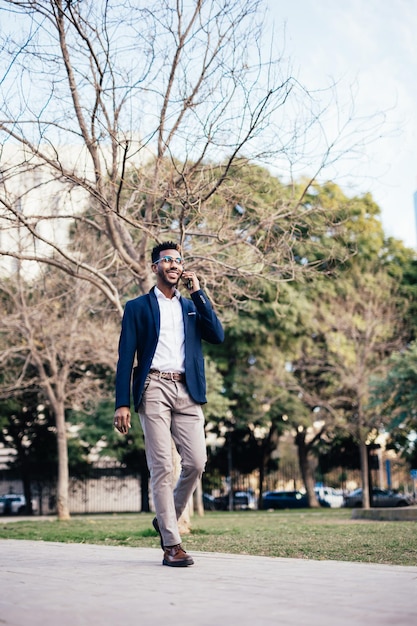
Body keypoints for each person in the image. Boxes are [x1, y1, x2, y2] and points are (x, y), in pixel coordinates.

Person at [114, 241, 224, 567]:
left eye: (178, 260)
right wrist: (122, 403)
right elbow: (125, 358)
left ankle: (165, 519)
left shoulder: (191, 306)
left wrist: (200, 293)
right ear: (155, 267)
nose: (174, 264)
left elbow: (217, 335)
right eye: (167, 260)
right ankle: (172, 545)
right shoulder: (137, 307)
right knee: (162, 466)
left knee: (197, 463)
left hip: (187, 390)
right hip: (154, 387)